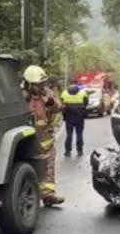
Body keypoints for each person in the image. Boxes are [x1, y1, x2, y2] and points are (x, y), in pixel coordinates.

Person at [23, 65, 65, 206]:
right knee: (29, 168)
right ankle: (28, 197)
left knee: (48, 166)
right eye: (38, 84)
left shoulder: (46, 93)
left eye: (42, 83)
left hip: (46, 137)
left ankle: (48, 196)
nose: (41, 86)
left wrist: (51, 103)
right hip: (28, 139)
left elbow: (59, 107)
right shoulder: (21, 96)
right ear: (29, 84)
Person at [60, 83, 88, 157]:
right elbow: (86, 103)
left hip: (69, 117)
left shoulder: (64, 93)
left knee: (69, 135)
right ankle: (80, 151)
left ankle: (68, 151)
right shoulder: (82, 93)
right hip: (79, 117)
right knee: (79, 134)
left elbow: (62, 103)